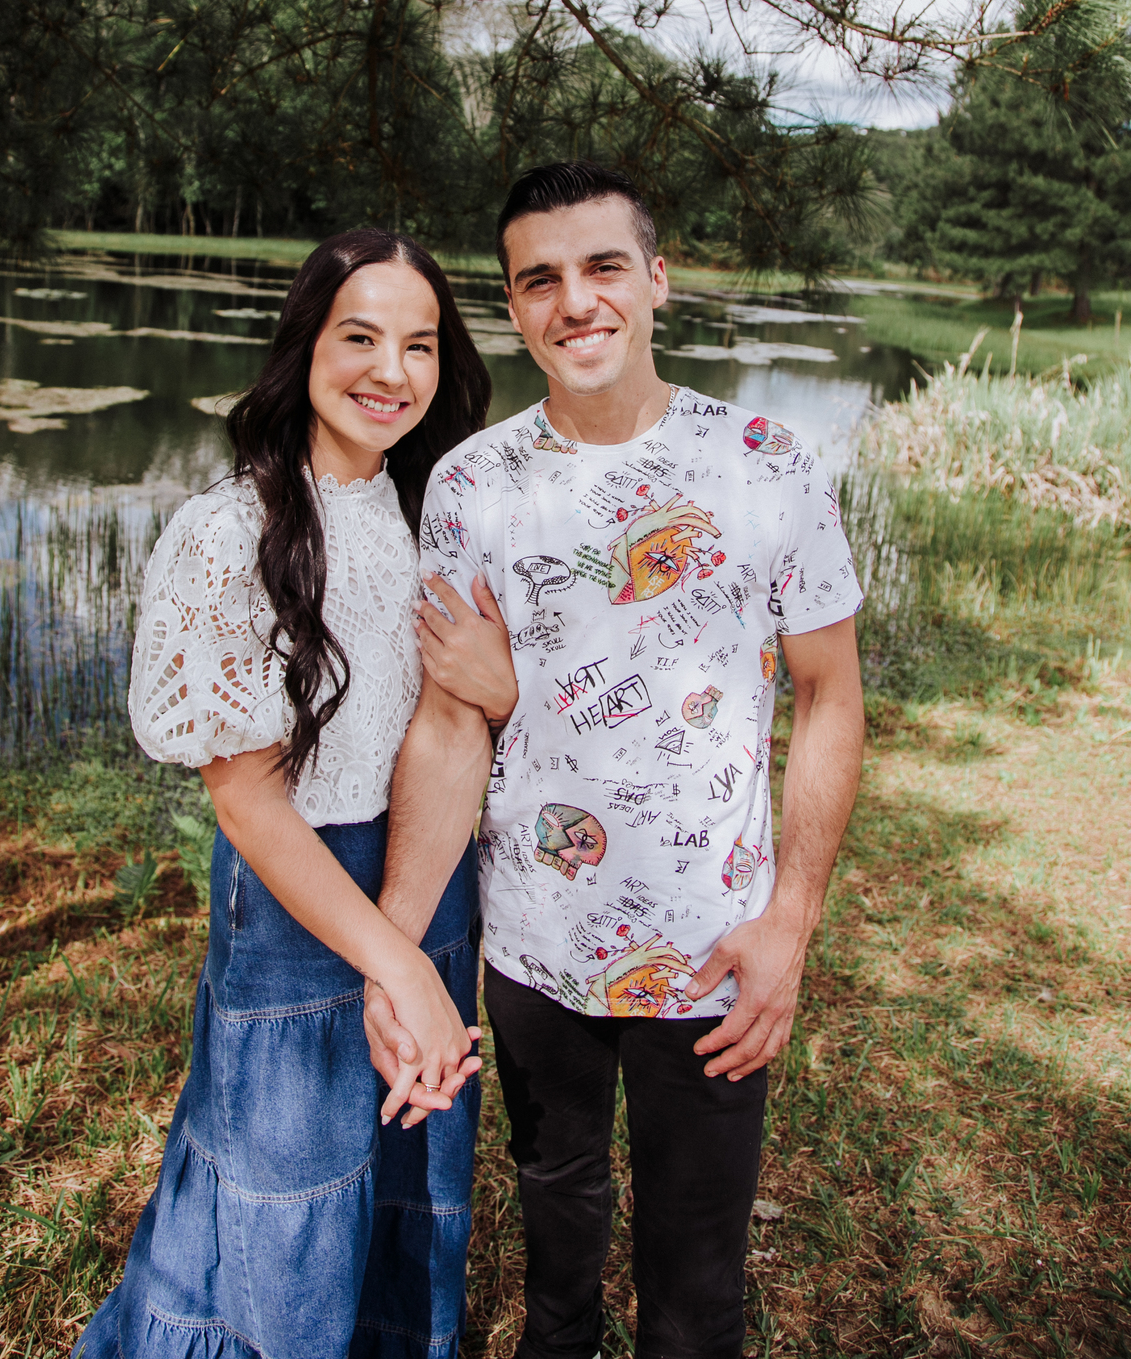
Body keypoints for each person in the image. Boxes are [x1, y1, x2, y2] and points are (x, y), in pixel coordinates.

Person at [372, 164, 866, 1359]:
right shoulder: (472, 484)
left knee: (694, 1291)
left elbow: (830, 697)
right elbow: (448, 727)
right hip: (534, 950)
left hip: (713, 955)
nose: (575, 301)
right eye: (539, 279)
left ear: (656, 280)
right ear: (513, 304)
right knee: (556, 1256)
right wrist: (395, 948)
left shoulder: (765, 460)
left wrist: (790, 923)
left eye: (602, 267)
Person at [73, 229, 510, 1359]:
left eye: (421, 344)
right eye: (360, 336)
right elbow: (250, 804)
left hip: (429, 879)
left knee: (409, 1170)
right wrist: (394, 967)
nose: (391, 371)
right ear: (305, 342)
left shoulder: (437, 519)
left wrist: (415, 944)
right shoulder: (230, 532)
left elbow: (455, 725)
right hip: (296, 900)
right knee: (290, 1191)